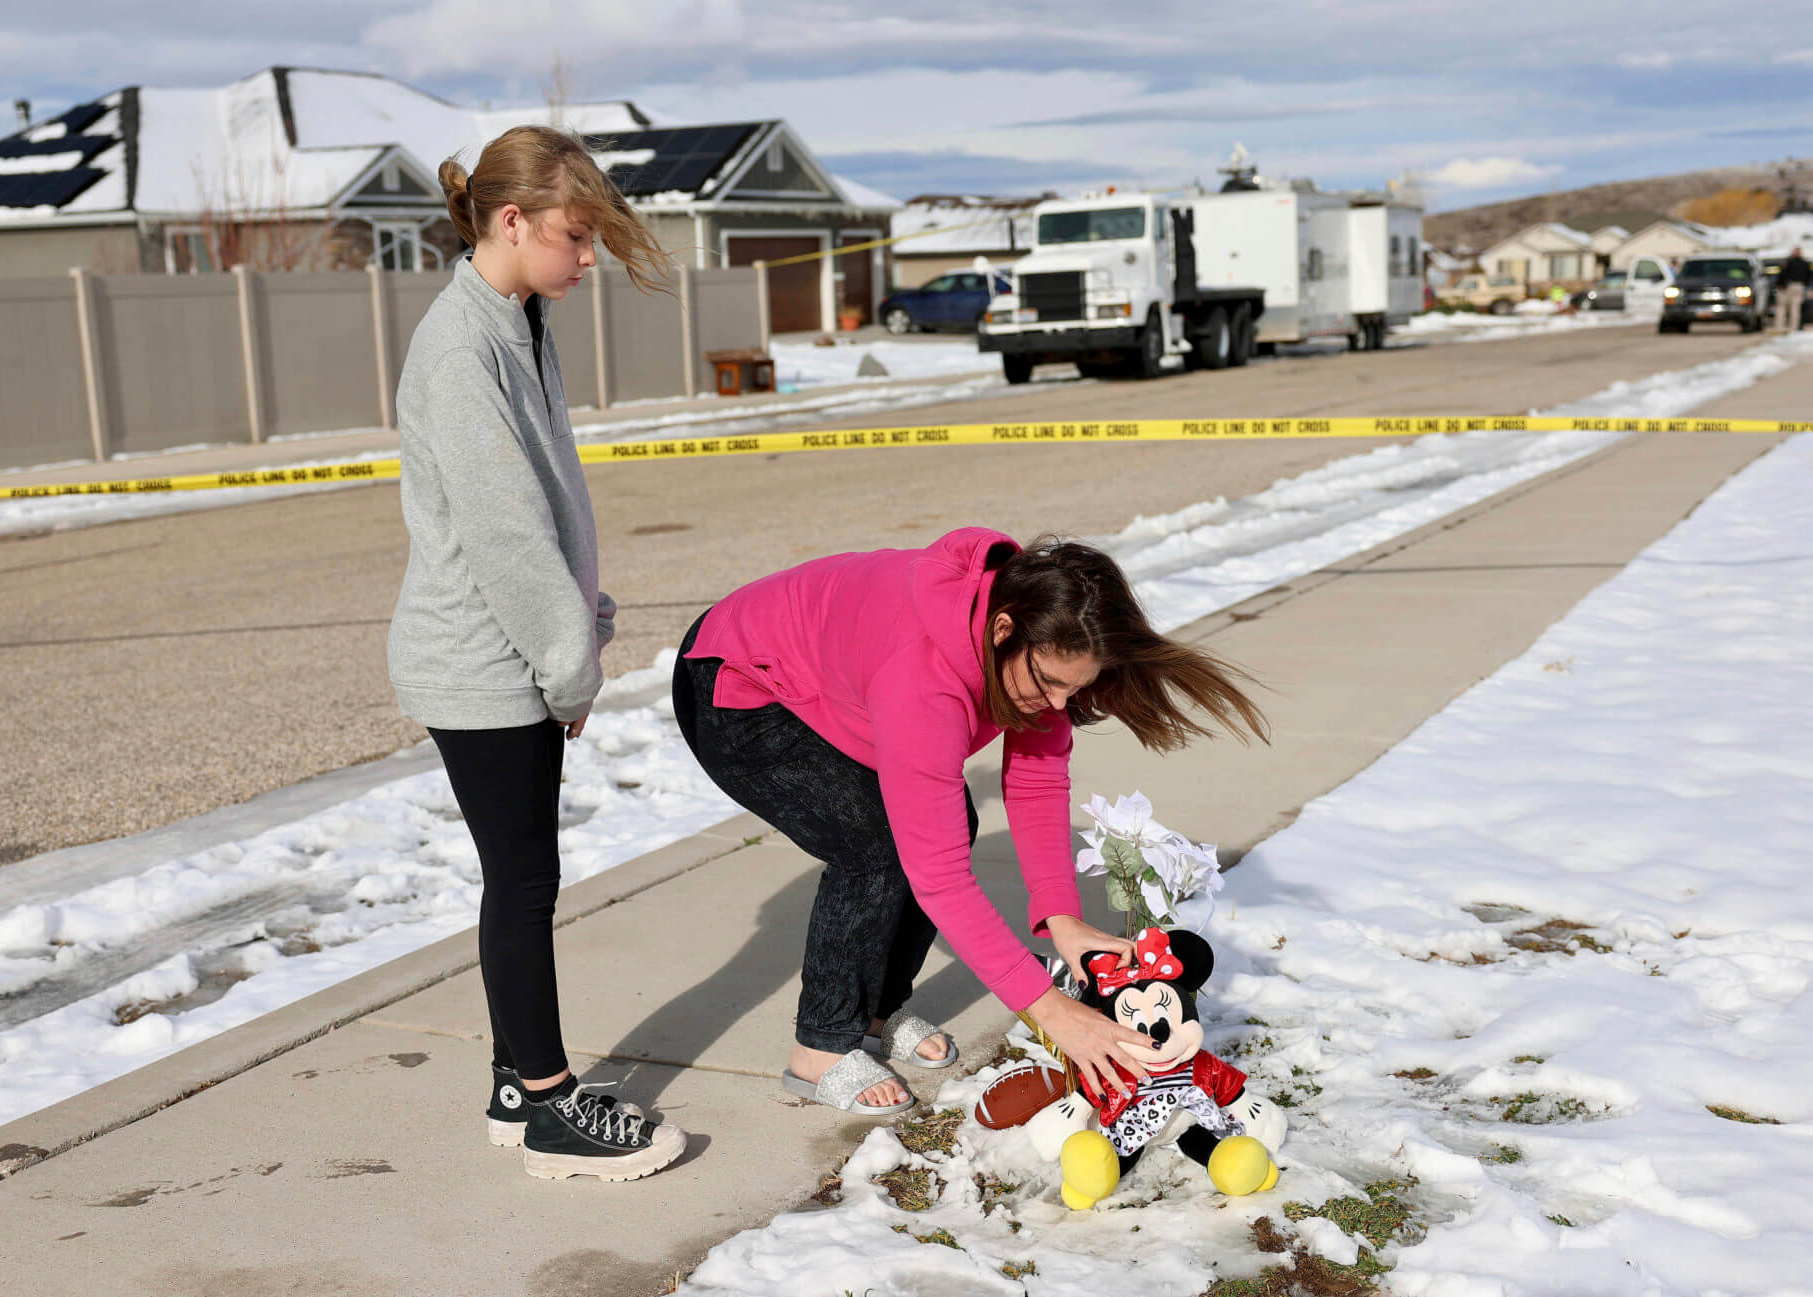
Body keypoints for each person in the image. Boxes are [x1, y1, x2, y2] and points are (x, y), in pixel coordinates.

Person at [671, 529, 1268, 1113]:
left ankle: (876, 1009)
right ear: (1003, 630)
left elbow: (1035, 783)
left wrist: (1062, 919)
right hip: (736, 682)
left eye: (1076, 687)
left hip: (832, 674)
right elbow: (940, 876)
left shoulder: (1037, 627)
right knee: (873, 843)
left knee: (942, 817)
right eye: (1050, 684)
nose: (1060, 706)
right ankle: (820, 1047)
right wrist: (1050, 1011)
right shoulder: (925, 680)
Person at [386, 125, 685, 1182]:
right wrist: (571, 664)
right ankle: (551, 1110)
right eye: (575, 234)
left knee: (520, 877)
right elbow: (508, 534)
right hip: (483, 657)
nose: (589, 256)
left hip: (512, 648)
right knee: (522, 881)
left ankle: (520, 1082)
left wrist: (576, 626)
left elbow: (546, 500)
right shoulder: (462, 350)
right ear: (512, 223)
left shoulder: (517, 317)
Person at [1777, 246, 1809, 332]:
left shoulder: (1789, 262)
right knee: (1795, 308)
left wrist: (1780, 284)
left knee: (1783, 307)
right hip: (1799, 286)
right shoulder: (1804, 263)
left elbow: (1783, 274)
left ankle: (1781, 327)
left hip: (1790, 286)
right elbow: (1808, 276)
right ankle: (1793, 328)